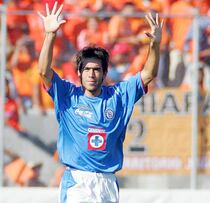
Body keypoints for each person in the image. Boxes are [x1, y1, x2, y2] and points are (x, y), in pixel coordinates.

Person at [37, 2, 163, 202]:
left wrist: (155, 45)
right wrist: (50, 35)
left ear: (105, 74)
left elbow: (149, 74)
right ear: (79, 73)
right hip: (77, 181)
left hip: (107, 183)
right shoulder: (68, 95)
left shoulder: (119, 96)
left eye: (96, 70)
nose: (91, 74)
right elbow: (44, 72)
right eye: (87, 69)